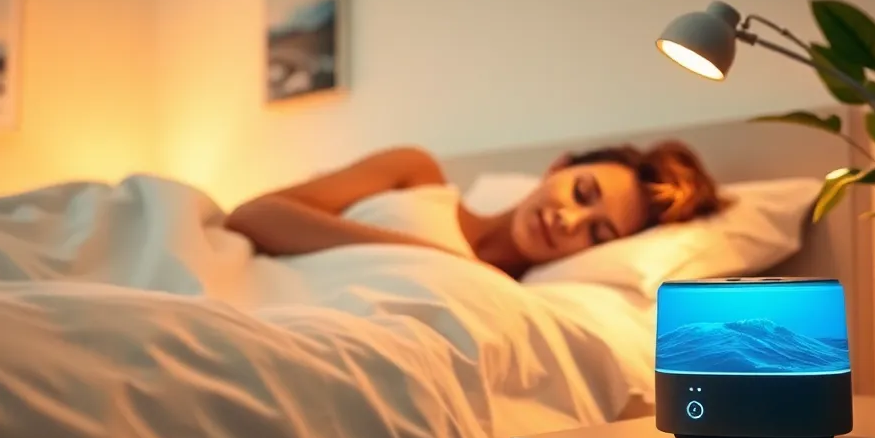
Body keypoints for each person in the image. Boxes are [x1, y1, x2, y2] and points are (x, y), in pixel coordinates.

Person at [224, 140, 725, 279]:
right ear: (558, 167)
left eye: (597, 234)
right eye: (581, 191)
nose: (568, 220)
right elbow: (251, 217)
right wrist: (427, 256)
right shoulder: (415, 174)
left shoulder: (508, 302)